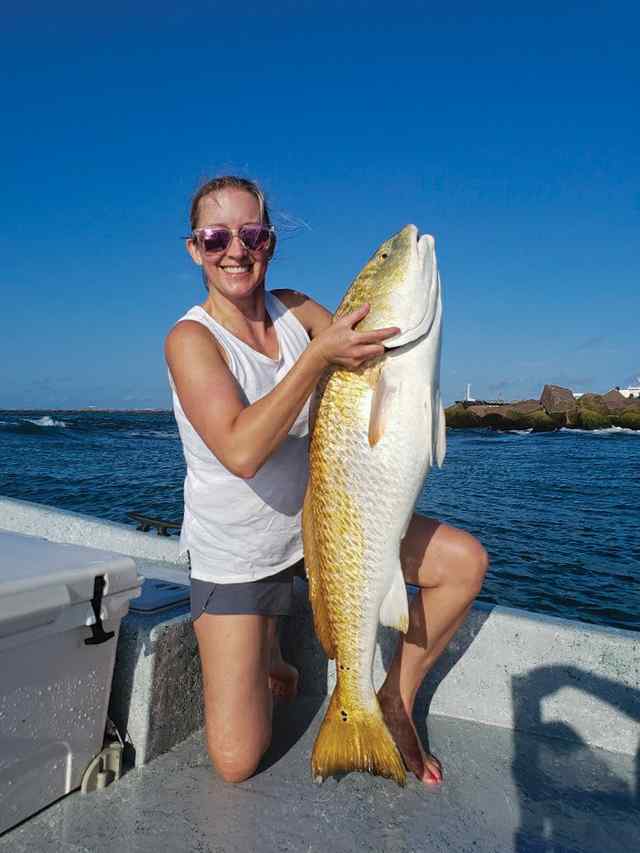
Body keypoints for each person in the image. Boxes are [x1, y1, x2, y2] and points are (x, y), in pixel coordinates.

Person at [165, 176, 488, 786]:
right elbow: (240, 450)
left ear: (270, 242)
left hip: (329, 533)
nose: (236, 250)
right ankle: (267, 640)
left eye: (252, 234)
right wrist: (316, 358)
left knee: (464, 563)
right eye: (215, 238)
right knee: (236, 763)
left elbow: (372, 345)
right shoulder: (190, 340)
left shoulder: (300, 310)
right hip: (238, 558)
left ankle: (393, 698)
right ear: (195, 250)